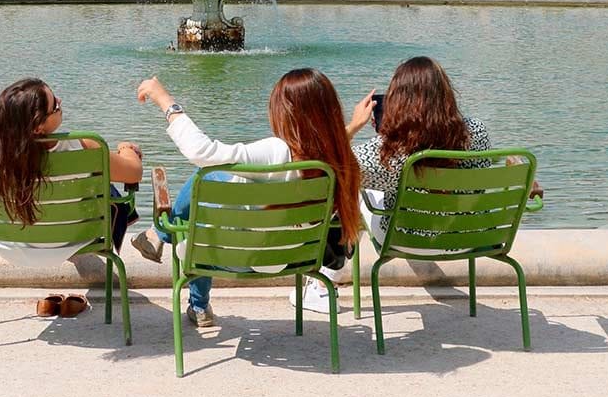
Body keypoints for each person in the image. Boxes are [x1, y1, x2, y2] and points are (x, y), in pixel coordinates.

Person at [131, 70, 362, 324]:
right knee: (213, 186)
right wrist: (350, 129)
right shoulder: (343, 164)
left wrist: (165, 100)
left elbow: (202, 151)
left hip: (232, 258)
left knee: (207, 178)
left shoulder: (278, 152)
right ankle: (166, 252)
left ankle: (165, 246)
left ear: (286, 111)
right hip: (294, 259)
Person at [0, 79, 143, 274]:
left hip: (12, 247)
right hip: (75, 241)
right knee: (103, 185)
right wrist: (126, 148)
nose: (61, 102)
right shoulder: (85, 147)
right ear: (39, 126)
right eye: (55, 104)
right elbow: (134, 171)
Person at [348, 56, 491, 246]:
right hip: (468, 238)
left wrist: (353, 126)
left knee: (356, 190)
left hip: (408, 241)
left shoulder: (388, 151)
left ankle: (329, 270)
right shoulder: (476, 132)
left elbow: (330, 163)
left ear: (397, 101)